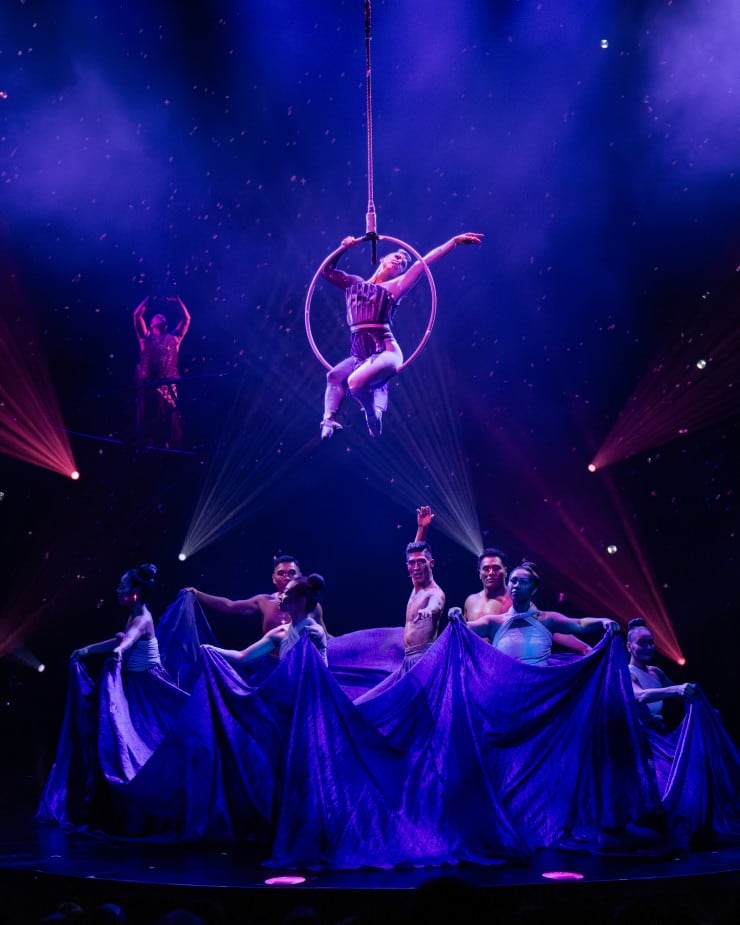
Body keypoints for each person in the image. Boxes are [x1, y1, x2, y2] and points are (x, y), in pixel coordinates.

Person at [319, 232, 484, 439]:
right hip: (360, 355)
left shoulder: (396, 287)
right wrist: (344, 248)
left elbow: (423, 263)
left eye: (404, 263)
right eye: (397, 257)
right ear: (382, 259)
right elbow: (326, 271)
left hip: (386, 351)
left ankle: (372, 415)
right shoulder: (355, 284)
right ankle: (329, 419)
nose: (401, 261)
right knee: (333, 376)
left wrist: (453, 242)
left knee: (354, 382)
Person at [464, 560, 617, 665]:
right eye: (513, 581)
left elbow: (580, 624)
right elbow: (461, 628)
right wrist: (455, 614)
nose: (516, 585)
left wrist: (603, 621)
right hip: (506, 693)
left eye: (524, 582)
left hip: (538, 695)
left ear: (534, 589)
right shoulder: (494, 622)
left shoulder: (547, 619)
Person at [461, 548, 590, 657]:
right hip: (474, 667)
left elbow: (550, 627)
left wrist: (584, 648)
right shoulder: (470, 601)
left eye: (496, 568)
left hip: (503, 666)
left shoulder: (517, 600)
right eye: (486, 569)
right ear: (479, 573)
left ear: (505, 571)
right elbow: (462, 631)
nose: (491, 573)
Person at [185, 554, 328, 637]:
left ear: (300, 576)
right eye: (281, 573)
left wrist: (343, 643)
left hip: (302, 666)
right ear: (273, 578)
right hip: (270, 668)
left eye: (291, 572)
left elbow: (325, 637)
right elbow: (229, 605)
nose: (286, 577)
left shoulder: (312, 604)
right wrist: (198, 594)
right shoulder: (264, 601)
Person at [206, 573, 328, 667]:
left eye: (286, 592)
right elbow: (242, 656)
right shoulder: (280, 633)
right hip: (289, 690)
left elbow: (319, 669)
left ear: (300, 600)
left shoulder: (314, 632)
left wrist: (320, 644)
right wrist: (211, 649)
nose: (281, 596)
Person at [71, 562, 162, 667]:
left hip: (144, 676)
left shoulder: (142, 619)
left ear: (135, 593)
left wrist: (120, 648)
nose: (117, 590)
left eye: (122, 587)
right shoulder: (134, 613)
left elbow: (130, 638)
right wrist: (87, 650)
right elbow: (123, 640)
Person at [133, 294, 191, 448]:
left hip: (168, 385)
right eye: (156, 316)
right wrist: (148, 298)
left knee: (169, 422)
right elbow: (137, 315)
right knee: (149, 422)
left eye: (163, 317)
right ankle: (148, 447)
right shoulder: (145, 339)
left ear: (165, 324)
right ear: (151, 324)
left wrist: (178, 300)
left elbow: (186, 319)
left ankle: (168, 448)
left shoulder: (174, 339)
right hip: (149, 385)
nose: (160, 316)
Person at [626, 617, 696, 734]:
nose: (648, 647)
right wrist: (676, 689)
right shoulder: (625, 673)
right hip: (636, 739)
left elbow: (682, 695)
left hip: (658, 735)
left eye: (651, 642)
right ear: (629, 646)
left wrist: (700, 700)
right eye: (641, 643)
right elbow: (641, 696)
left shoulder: (655, 672)